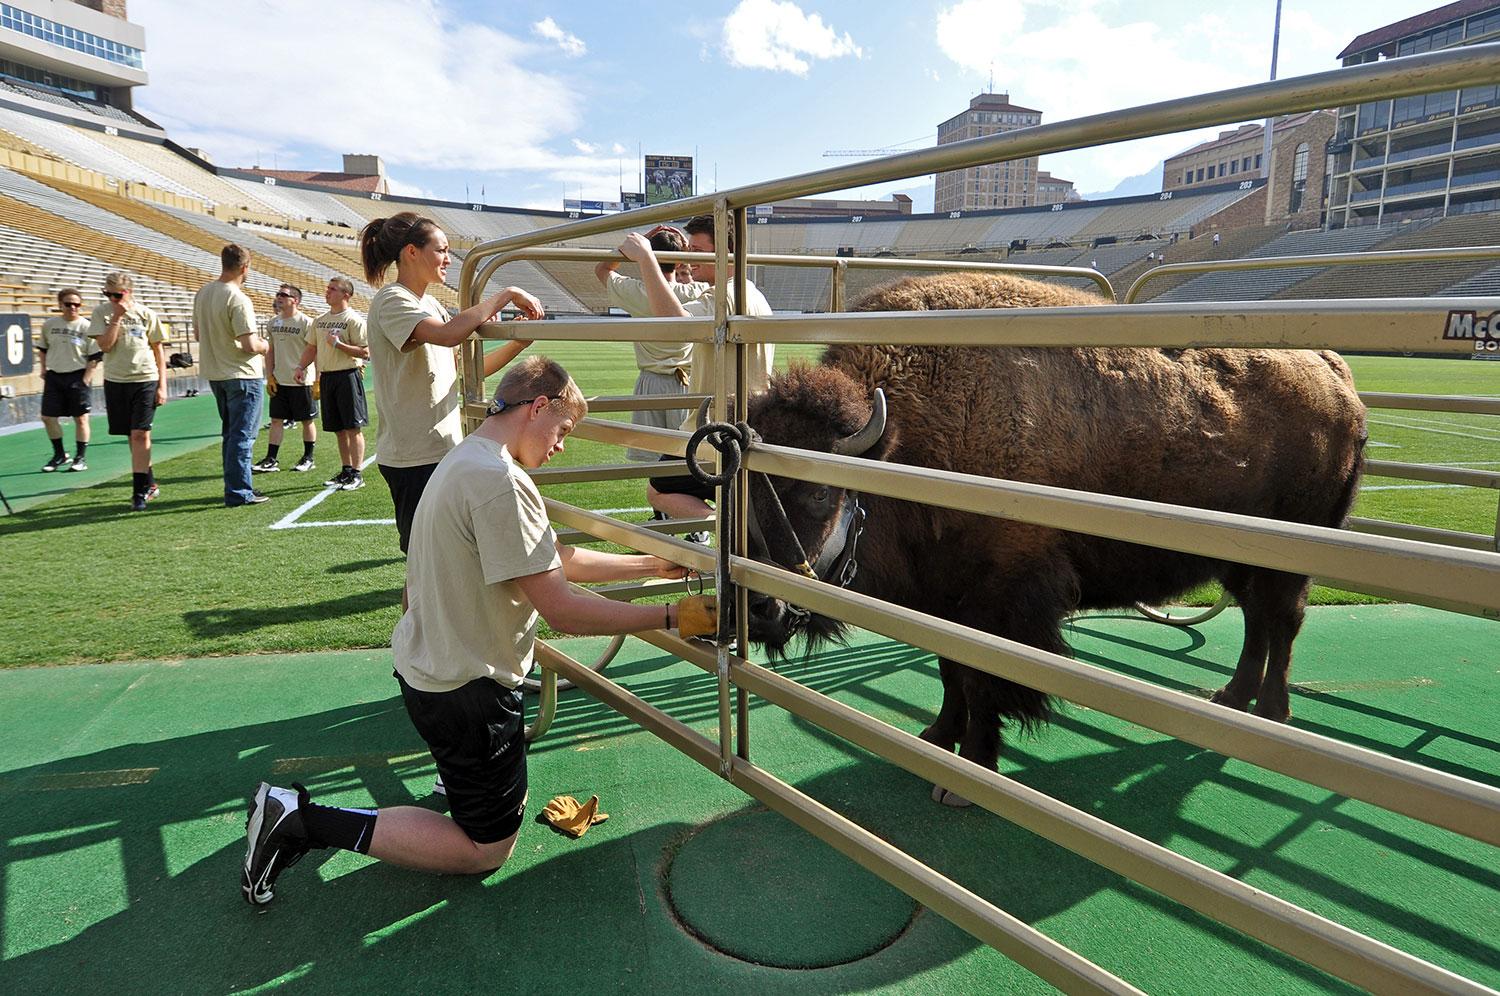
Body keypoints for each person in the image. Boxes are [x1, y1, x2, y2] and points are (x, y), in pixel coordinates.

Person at [240, 357, 716, 905]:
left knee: (480, 787)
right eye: (562, 430)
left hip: (429, 667)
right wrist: (672, 617)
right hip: (467, 690)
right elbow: (562, 609)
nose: (561, 445)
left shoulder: (468, 457)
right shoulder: (499, 482)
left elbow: (551, 556)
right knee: (484, 848)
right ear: (538, 407)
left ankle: (450, 780)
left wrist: (650, 567)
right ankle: (301, 820)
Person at [360, 212, 541, 558]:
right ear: (411, 252)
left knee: (447, 556)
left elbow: (464, 372)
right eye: (441, 250)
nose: (447, 259)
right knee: (423, 562)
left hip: (441, 449)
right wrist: (506, 295)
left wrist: (517, 345)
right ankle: (416, 615)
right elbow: (447, 336)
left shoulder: (428, 304)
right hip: (413, 457)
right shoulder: (392, 299)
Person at [615, 214, 774, 529]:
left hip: (715, 432)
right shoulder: (750, 292)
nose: (689, 257)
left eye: (698, 250)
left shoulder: (724, 296)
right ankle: (735, 531)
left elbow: (675, 326)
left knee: (659, 488)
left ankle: (730, 531)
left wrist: (646, 257)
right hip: (745, 425)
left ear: (726, 253)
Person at [594, 226, 702, 461]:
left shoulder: (635, 291)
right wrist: (686, 253)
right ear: (678, 259)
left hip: (651, 382)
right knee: (690, 457)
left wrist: (639, 244)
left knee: (652, 461)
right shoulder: (696, 291)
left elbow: (601, 269)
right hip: (689, 382)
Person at [195, 244, 272, 507]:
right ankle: (239, 491)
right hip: (241, 374)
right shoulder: (237, 297)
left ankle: (237, 485)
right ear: (244, 267)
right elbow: (249, 344)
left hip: (216, 373)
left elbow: (198, 335)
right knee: (243, 436)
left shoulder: (203, 293)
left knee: (231, 434)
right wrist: (265, 345)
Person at [88, 272, 168, 511]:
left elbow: (158, 351)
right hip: (116, 380)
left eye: (117, 294)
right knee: (131, 436)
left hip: (145, 378)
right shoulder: (101, 312)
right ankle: (150, 481)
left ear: (128, 292)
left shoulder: (146, 314)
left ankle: (138, 492)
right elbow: (104, 345)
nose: (112, 298)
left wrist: (162, 385)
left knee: (140, 434)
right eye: (108, 294)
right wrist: (116, 317)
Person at [296, 276, 369, 490]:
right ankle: (346, 469)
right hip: (328, 377)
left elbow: (365, 352)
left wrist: (339, 345)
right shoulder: (319, 320)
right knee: (338, 428)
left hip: (347, 376)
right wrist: (300, 367)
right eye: (328, 288)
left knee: (352, 427)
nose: (327, 292)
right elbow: (311, 348)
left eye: (333, 289)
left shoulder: (353, 320)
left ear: (346, 294)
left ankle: (357, 473)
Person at [253, 284, 319, 474]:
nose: (278, 297)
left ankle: (308, 457)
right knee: (276, 419)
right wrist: (270, 376)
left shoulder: (306, 322)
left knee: (307, 420)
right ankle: (271, 458)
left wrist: (317, 379)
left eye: (284, 295)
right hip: (280, 379)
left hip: (301, 380)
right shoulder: (273, 322)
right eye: (278, 294)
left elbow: (314, 351)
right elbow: (270, 351)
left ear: (295, 300)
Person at [37, 287, 100, 472]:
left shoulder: (86, 326)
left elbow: (94, 356)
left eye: (76, 304)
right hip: (55, 375)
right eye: (68, 304)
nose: (72, 307)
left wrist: (86, 379)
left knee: (80, 418)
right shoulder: (50, 324)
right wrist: (43, 369)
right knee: (48, 417)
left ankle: (80, 457)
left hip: (77, 374)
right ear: (60, 305)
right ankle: (60, 454)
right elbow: (42, 348)